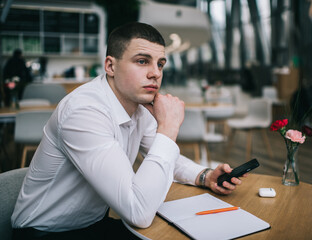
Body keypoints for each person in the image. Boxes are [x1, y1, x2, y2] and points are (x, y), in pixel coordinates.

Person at [11, 22, 244, 240]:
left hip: (94, 224)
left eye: (160, 64)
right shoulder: (83, 112)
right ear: (110, 66)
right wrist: (169, 127)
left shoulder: (138, 107)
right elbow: (138, 212)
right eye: (143, 61)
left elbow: (163, 155)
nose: (156, 73)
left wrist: (204, 175)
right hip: (45, 232)